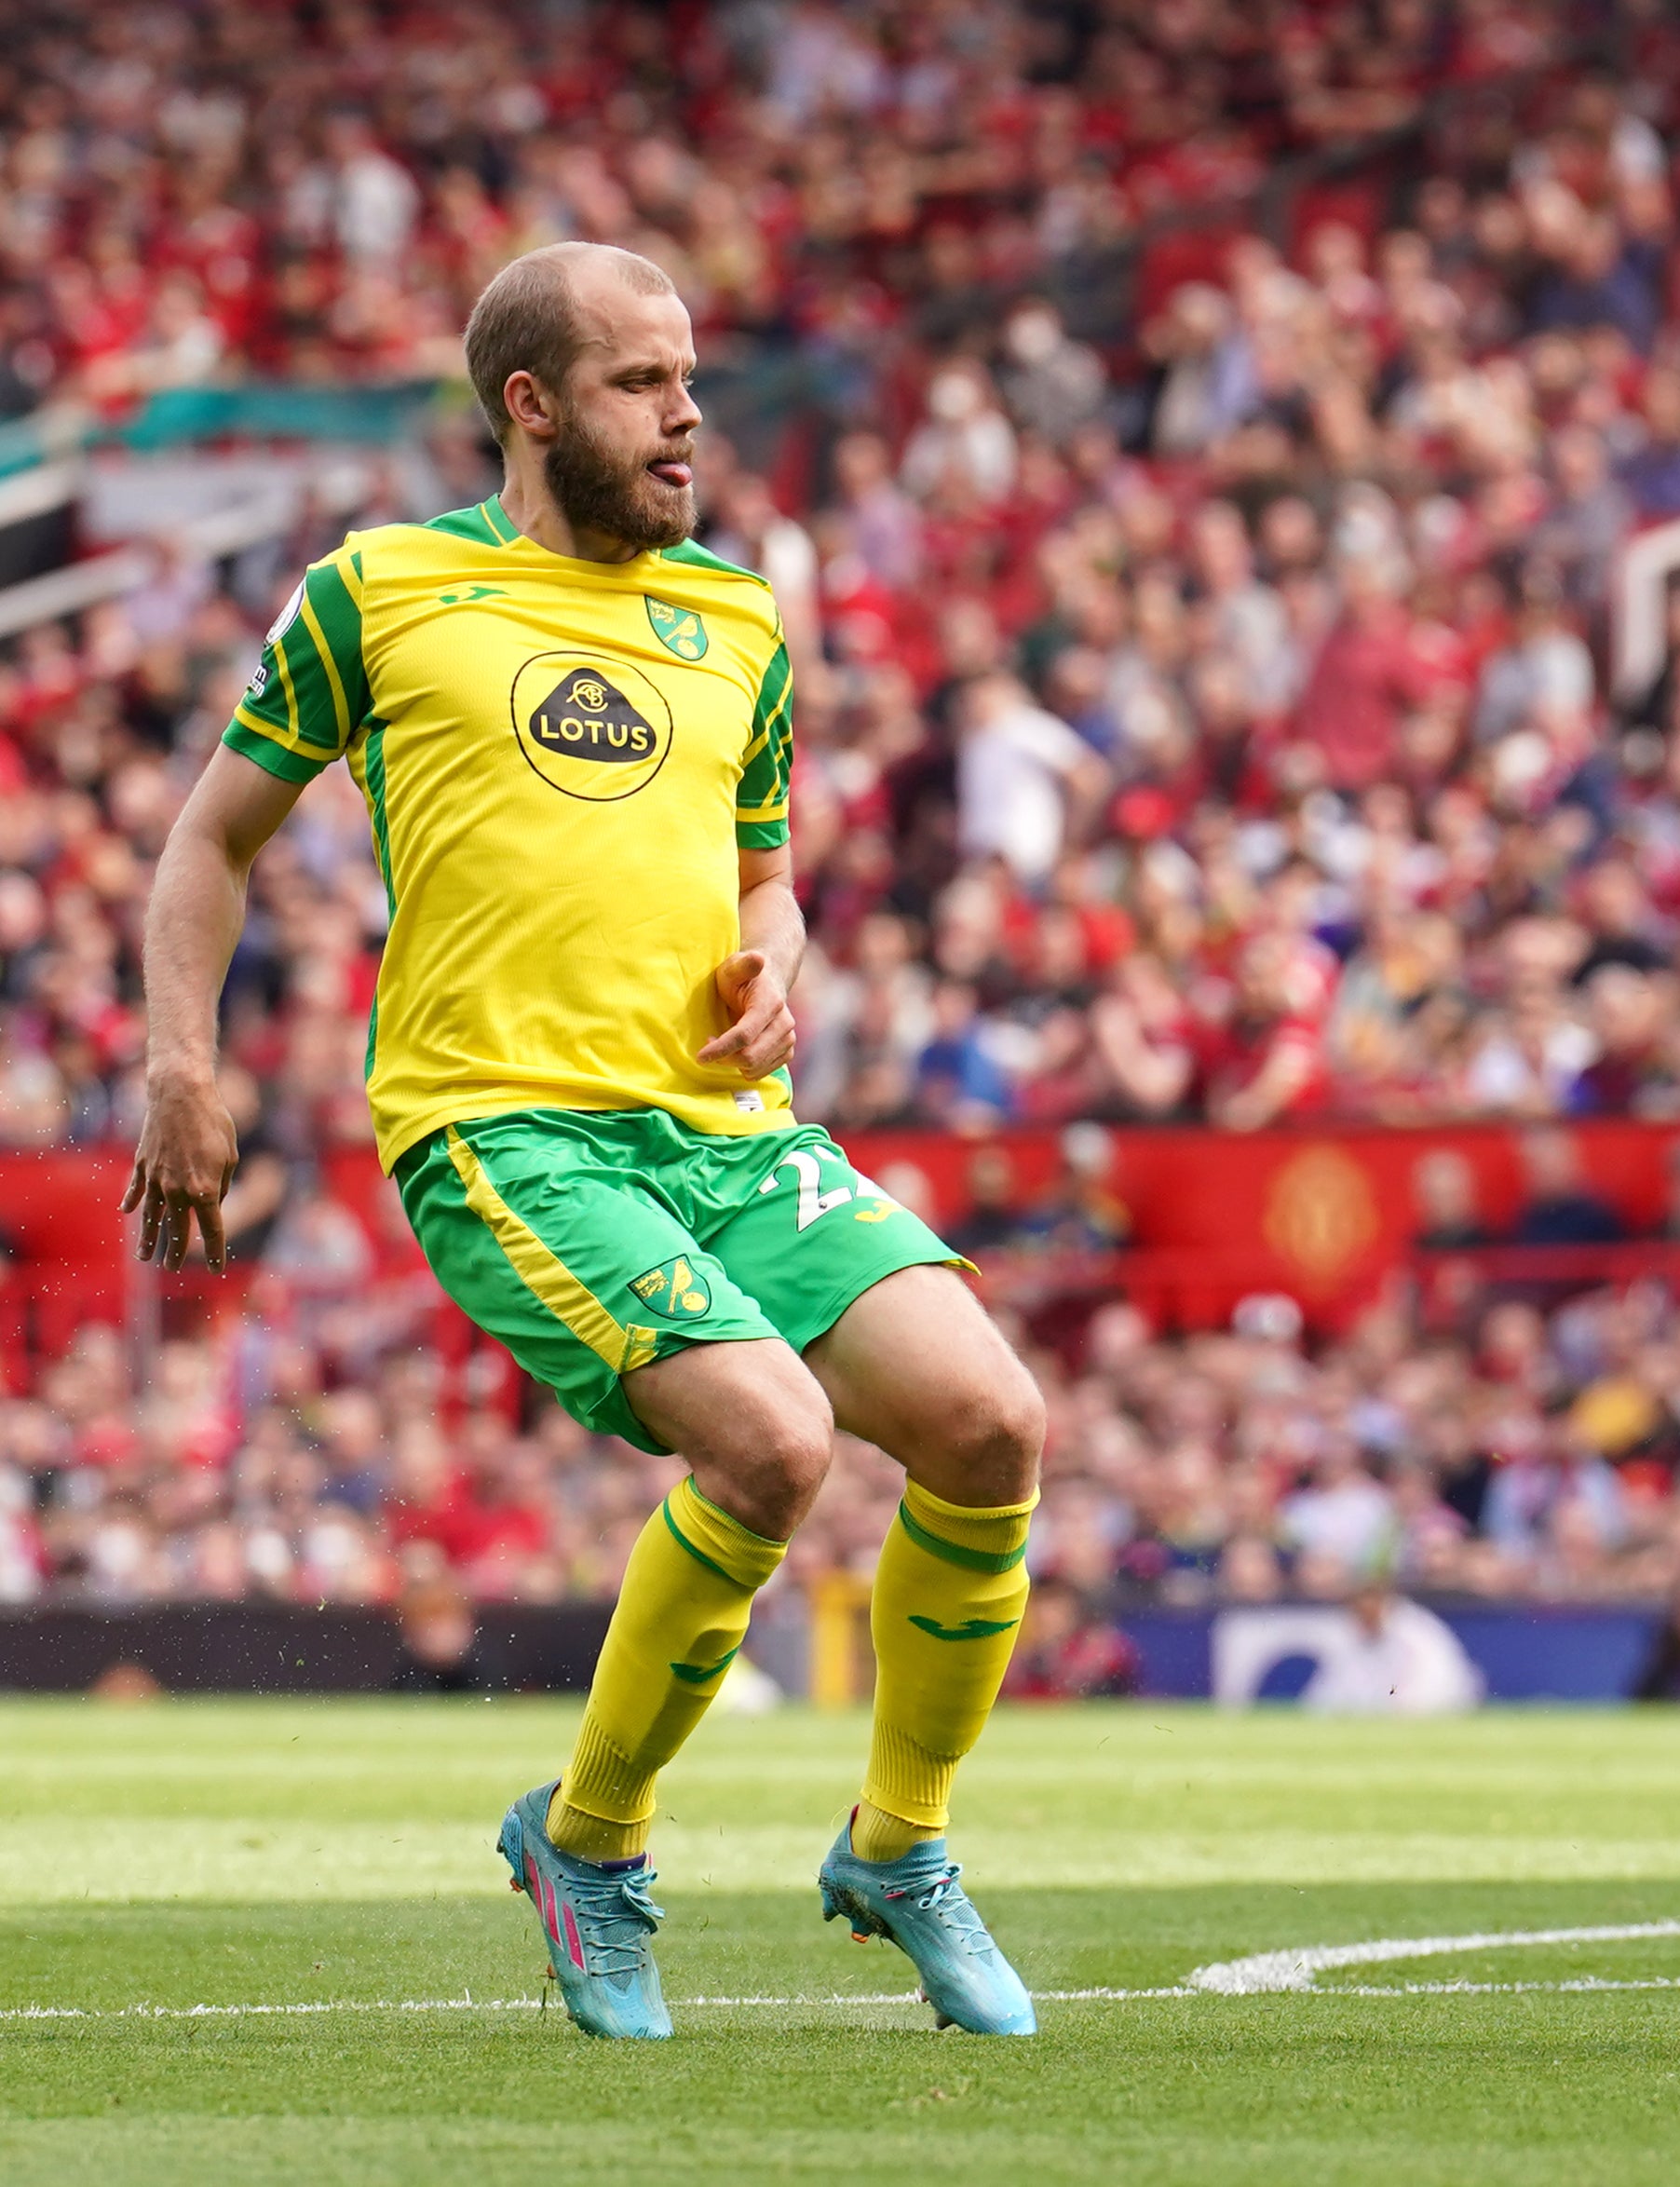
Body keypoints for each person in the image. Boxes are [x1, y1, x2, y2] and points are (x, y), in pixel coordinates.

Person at [120, 244, 1046, 2042]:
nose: (687, 412)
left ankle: (897, 1848)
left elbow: (768, 882)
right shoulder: (380, 592)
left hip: (720, 1127)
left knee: (992, 1421)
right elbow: (206, 842)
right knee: (774, 1442)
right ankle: (592, 1844)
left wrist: (776, 958)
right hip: (503, 1129)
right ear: (531, 406)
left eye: (690, 376)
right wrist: (181, 1063)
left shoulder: (741, 620)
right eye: (640, 382)